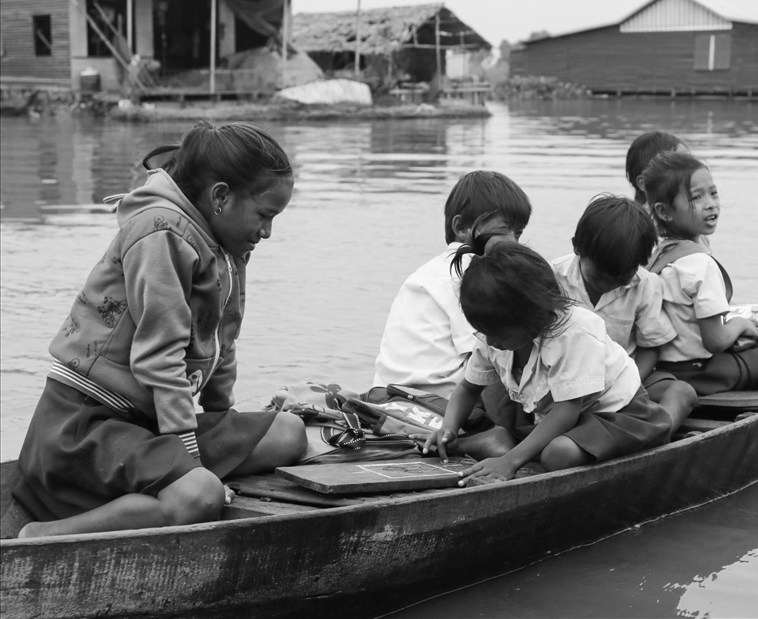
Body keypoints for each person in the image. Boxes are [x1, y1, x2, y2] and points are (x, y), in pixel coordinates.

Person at [12, 122, 307, 538]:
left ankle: (165, 484)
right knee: (199, 495)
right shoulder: (161, 232)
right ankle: (44, 534)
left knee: (288, 433)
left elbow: (224, 339)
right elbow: (158, 355)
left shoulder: (226, 245)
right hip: (86, 427)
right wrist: (194, 462)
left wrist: (223, 418)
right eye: (263, 215)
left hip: (149, 425)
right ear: (220, 196)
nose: (267, 232)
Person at [416, 240, 682, 485]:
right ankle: (495, 440)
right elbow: (467, 388)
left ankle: (507, 446)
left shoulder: (575, 331)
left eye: (500, 334)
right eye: (485, 332)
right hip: (556, 417)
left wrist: (510, 462)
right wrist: (448, 428)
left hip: (617, 412)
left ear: (533, 316)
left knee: (558, 455)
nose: (491, 341)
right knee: (499, 402)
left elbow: (568, 410)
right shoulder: (492, 334)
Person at [644, 152, 758, 396]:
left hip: (666, 370)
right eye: (696, 197)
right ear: (664, 211)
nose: (710, 203)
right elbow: (716, 341)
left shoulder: (655, 254)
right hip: (705, 374)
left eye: (713, 193)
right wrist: (739, 324)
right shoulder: (700, 264)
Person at [373, 170, 532, 399]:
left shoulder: (428, 272)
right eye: (503, 230)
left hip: (387, 392)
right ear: (461, 227)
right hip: (438, 398)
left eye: (518, 233)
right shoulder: (472, 273)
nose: (513, 242)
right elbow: (490, 353)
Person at [551, 195, 697, 427]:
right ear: (577, 247)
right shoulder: (552, 280)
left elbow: (650, 347)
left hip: (627, 377)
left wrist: (628, 384)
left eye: (621, 279)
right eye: (599, 277)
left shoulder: (645, 284)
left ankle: (658, 429)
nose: (608, 285)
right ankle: (630, 429)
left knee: (682, 392)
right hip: (567, 384)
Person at [625, 131, 688, 209]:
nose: (691, 170)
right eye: (678, 165)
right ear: (644, 183)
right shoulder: (640, 220)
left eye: (690, 161)